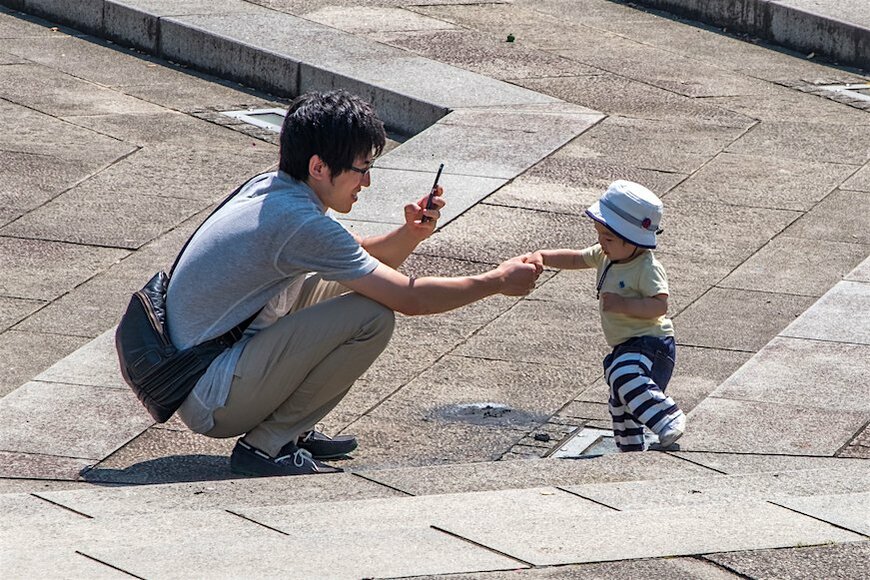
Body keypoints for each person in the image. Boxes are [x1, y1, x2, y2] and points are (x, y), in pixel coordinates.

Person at [165, 90, 541, 477]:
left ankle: (292, 429)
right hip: (212, 396)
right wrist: (496, 281)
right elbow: (408, 298)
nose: (368, 181)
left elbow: (356, 256)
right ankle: (268, 446)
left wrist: (409, 235)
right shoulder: (298, 222)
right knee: (371, 315)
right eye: (361, 168)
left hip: (195, 371)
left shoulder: (273, 188)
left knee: (354, 288)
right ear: (319, 167)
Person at [529, 180, 685, 451]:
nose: (602, 242)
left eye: (609, 238)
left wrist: (623, 304)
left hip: (652, 343)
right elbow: (576, 259)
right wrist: (544, 256)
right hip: (626, 345)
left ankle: (668, 417)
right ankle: (630, 447)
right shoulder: (606, 254)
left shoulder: (646, 268)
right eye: (599, 234)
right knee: (619, 397)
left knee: (624, 375)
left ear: (634, 241)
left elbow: (659, 307)